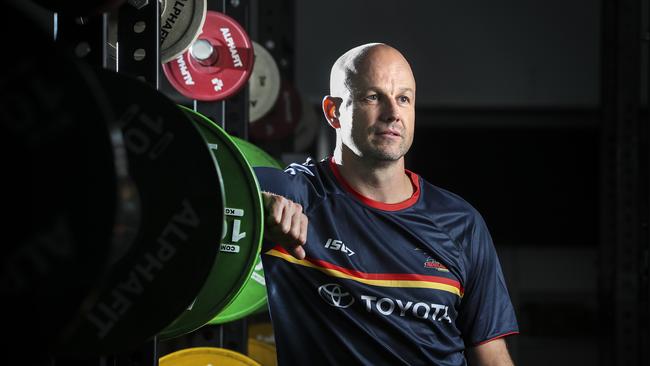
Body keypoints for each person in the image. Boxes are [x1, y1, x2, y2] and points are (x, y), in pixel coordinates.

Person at [253, 43, 519, 365]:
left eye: (404, 98)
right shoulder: (293, 194)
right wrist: (252, 206)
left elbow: (491, 355)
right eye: (373, 97)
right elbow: (194, 189)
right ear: (333, 112)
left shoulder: (460, 222)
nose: (393, 113)